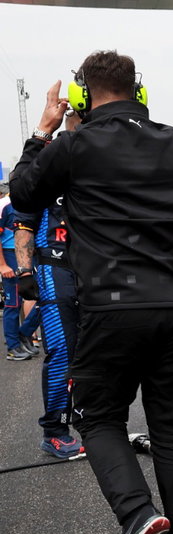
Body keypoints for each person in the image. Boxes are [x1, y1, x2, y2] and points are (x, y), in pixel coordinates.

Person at [10, 52, 173, 534]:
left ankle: (137, 514)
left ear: (82, 97)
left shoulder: (74, 143)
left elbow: (23, 193)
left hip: (111, 306)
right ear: (137, 90)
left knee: (100, 418)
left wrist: (42, 130)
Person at [12, 154, 80, 459]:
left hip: (95, 268)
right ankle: (55, 431)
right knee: (63, 351)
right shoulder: (47, 167)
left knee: (97, 349)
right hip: (55, 266)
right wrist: (25, 272)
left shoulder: (103, 161)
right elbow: (24, 222)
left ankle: (91, 420)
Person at [2, 187, 41, 361]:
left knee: (45, 296)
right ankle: (13, 347)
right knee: (13, 304)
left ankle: (23, 334)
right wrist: (2, 265)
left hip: (33, 254)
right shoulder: (4, 204)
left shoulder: (34, 199)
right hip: (10, 255)